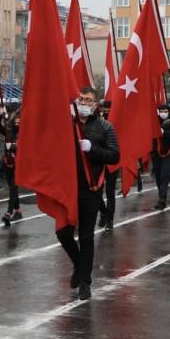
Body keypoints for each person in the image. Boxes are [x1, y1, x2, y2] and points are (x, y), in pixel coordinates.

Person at [57, 86, 119, 300]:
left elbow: (114, 156)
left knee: (86, 236)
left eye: (88, 100)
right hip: (67, 189)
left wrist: (92, 148)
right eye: (81, 99)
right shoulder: (67, 124)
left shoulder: (105, 127)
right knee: (63, 233)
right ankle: (78, 263)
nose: (83, 103)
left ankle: (85, 282)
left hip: (91, 189)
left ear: (96, 104)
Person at [0, 109, 23, 227]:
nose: (17, 124)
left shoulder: (25, 133)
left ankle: (9, 213)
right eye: (16, 122)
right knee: (12, 188)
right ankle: (18, 211)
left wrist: (13, 146)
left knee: (13, 188)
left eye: (20, 122)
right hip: (8, 163)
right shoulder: (8, 131)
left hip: (19, 164)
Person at [151, 104, 170, 210]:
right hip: (157, 154)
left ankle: (162, 199)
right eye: (161, 111)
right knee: (158, 177)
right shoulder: (155, 122)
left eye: (165, 111)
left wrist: (164, 132)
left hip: (169, 154)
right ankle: (161, 196)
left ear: (169, 111)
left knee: (164, 176)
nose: (163, 113)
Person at [98, 99, 119, 231]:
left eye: (108, 109)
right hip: (98, 161)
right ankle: (103, 211)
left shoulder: (116, 123)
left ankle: (109, 219)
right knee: (96, 190)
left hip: (111, 161)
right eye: (103, 109)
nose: (105, 111)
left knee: (110, 191)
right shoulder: (96, 122)